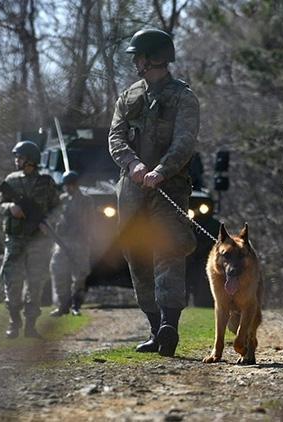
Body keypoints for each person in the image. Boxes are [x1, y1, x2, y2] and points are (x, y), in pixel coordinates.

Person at [108, 28, 200, 357]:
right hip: (132, 189)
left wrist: (161, 170)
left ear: (152, 58)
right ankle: (153, 328)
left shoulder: (183, 97)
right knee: (136, 256)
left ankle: (169, 326)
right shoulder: (129, 96)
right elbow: (115, 137)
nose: (135, 62)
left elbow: (184, 142)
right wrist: (133, 165)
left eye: (139, 57)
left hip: (170, 187)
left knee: (168, 252)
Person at [0, 141, 59, 338]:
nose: (17, 160)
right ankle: (14, 322)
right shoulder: (11, 180)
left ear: (30, 159)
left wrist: (47, 223)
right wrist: (10, 208)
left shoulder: (46, 182)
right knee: (12, 281)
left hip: (38, 241)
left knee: (36, 282)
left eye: (20, 157)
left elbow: (57, 208)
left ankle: (31, 325)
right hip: (15, 239)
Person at [49, 170, 94, 317]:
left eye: (70, 185)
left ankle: (76, 305)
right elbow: (54, 217)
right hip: (63, 241)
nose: (68, 187)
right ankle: (62, 305)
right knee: (58, 271)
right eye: (66, 185)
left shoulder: (86, 200)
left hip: (80, 241)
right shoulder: (62, 200)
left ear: (76, 185)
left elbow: (90, 220)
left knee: (80, 275)